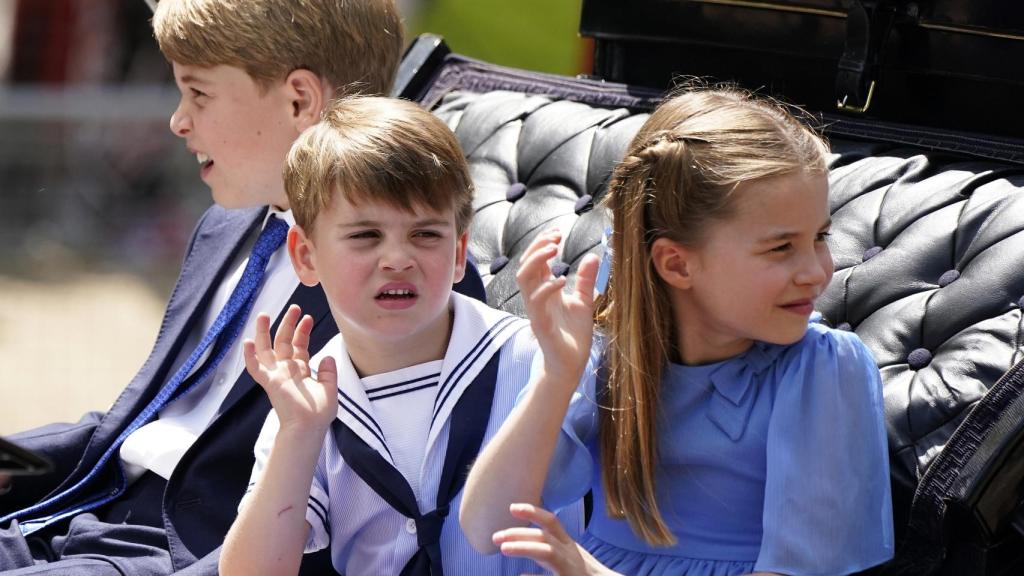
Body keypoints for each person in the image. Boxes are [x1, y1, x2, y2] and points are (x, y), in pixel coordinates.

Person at [0, 1, 470, 574]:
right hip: (81, 511)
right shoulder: (229, 224)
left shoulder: (398, 290)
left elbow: (350, 525)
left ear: (299, 100)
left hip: (184, 554)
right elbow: (152, 420)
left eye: (198, 94)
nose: (178, 120)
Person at [460, 87, 895, 576]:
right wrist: (557, 376)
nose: (817, 270)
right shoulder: (606, 360)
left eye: (819, 237)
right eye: (780, 248)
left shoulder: (822, 371)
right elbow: (485, 528)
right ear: (676, 263)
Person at [218, 96, 583, 576]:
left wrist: (561, 373)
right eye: (366, 235)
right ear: (305, 256)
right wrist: (299, 434)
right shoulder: (308, 401)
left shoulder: (537, 358)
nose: (397, 259)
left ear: (459, 254)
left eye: (425, 235)